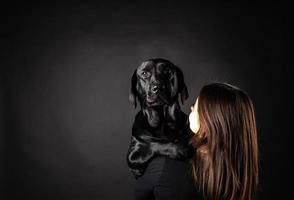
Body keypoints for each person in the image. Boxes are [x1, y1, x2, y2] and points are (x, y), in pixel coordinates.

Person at [188, 82, 259, 200]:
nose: (190, 109)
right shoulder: (239, 173)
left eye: (194, 108)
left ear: (210, 121)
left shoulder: (176, 168)